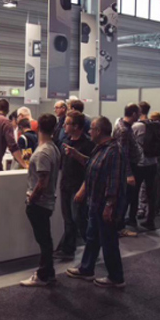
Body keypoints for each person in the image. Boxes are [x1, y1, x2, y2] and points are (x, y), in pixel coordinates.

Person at [66, 116, 127, 288]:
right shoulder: (100, 148)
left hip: (105, 205)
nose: (89, 132)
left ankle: (116, 277)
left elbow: (114, 181)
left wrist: (109, 205)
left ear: (99, 131)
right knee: (92, 238)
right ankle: (86, 269)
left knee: (109, 241)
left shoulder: (114, 151)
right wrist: (77, 155)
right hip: (95, 202)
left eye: (92, 129)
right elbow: (92, 165)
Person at [20, 114, 61, 287]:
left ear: (37, 128)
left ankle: (43, 275)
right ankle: (48, 272)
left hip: (40, 203)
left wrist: (32, 199)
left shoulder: (43, 152)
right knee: (45, 239)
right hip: (46, 202)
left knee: (44, 240)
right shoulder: (52, 148)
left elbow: (42, 182)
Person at [54, 111, 95, 260]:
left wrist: (77, 155)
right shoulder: (65, 141)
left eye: (67, 123)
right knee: (68, 219)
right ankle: (68, 250)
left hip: (79, 187)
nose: (64, 126)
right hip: (65, 185)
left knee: (80, 219)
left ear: (76, 126)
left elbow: (92, 166)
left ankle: (92, 248)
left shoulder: (88, 144)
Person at [112, 103, 142, 237]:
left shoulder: (122, 124)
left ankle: (118, 225)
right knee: (123, 200)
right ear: (134, 114)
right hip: (126, 170)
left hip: (127, 168)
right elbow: (123, 154)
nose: (140, 115)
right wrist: (129, 174)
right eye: (139, 113)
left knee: (125, 199)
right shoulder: (124, 130)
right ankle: (118, 228)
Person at [131, 101, 159, 231]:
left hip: (140, 164)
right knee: (151, 193)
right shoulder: (156, 125)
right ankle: (150, 220)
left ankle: (132, 219)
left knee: (134, 192)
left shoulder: (136, 126)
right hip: (153, 163)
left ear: (139, 111)